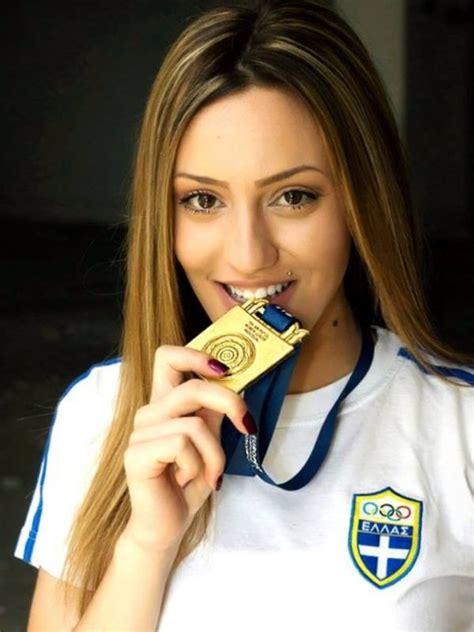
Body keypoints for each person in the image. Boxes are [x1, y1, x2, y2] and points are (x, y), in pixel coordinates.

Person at [15, 0, 474, 630]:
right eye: (203, 199)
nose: (248, 254)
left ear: (362, 201)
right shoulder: (101, 414)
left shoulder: (459, 425)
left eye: (294, 196)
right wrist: (146, 545)